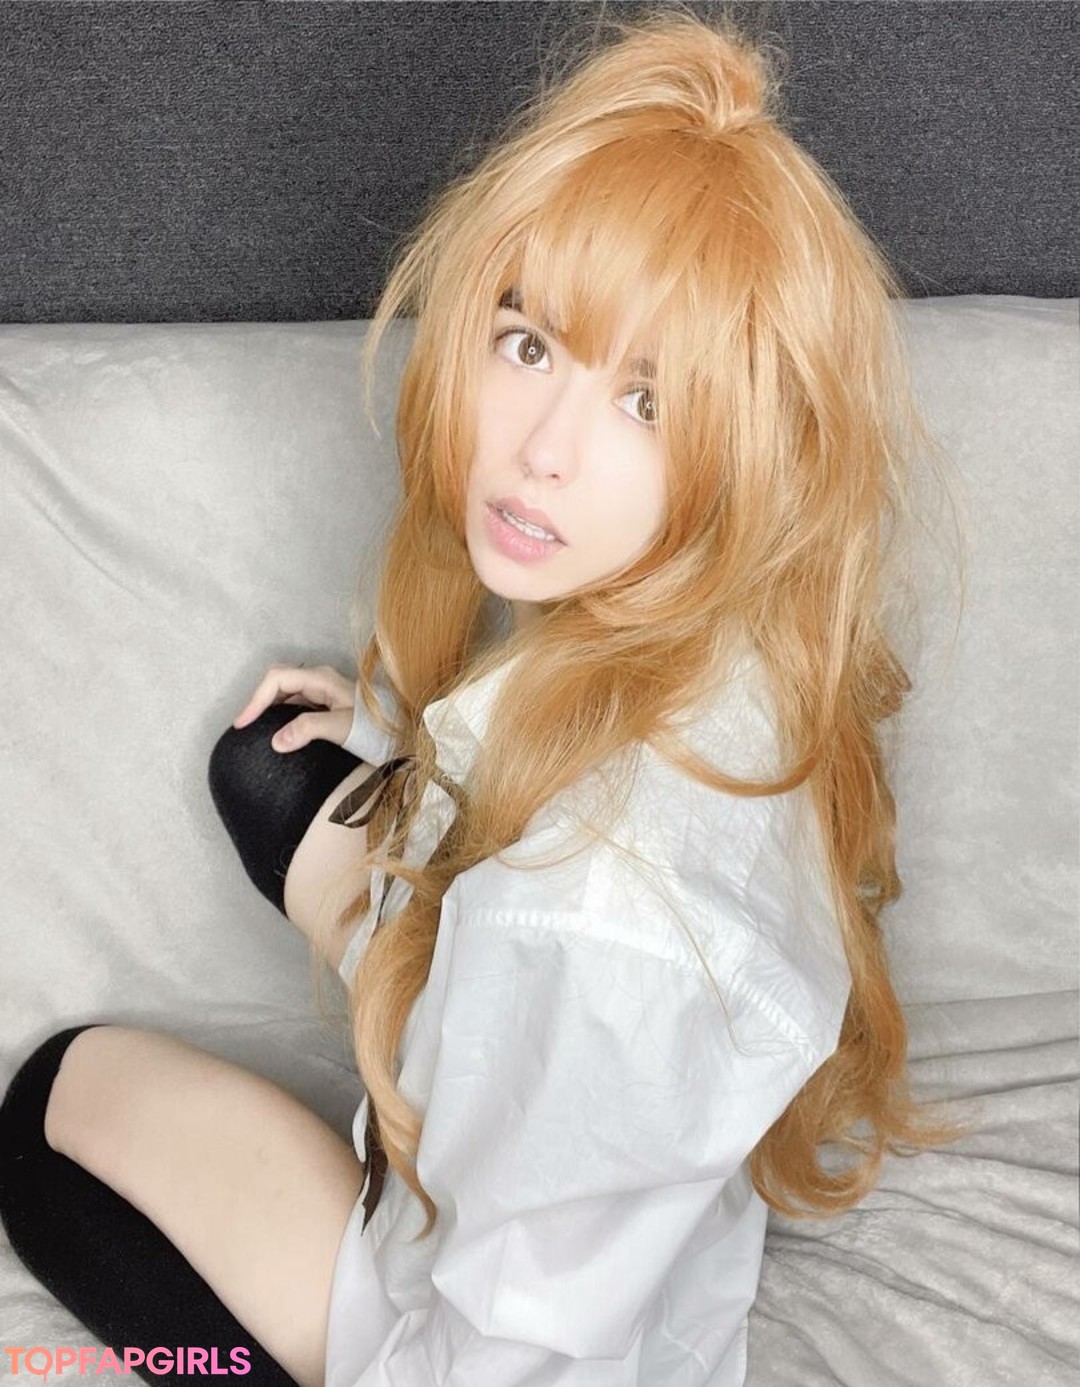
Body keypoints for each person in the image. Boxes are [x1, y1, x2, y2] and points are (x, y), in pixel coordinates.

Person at [0, 6, 968, 1385]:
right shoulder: (741, 640)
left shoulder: (596, 926)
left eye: (648, 402)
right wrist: (404, 743)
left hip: (469, 1329)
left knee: (48, 1108)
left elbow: (513, 1350)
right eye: (530, 343)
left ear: (748, 450)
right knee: (272, 770)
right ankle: (408, 980)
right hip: (554, 1125)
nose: (542, 450)